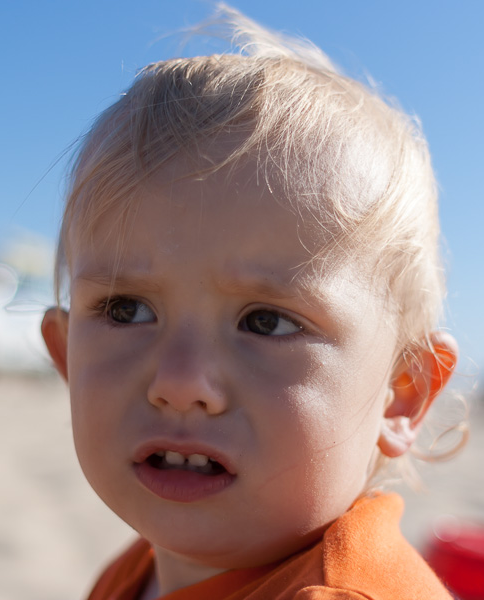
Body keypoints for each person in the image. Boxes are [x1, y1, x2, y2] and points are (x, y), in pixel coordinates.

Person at [40, 6, 461, 599]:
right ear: (68, 359)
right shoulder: (134, 573)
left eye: (266, 322)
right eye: (126, 310)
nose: (181, 383)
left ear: (401, 393)